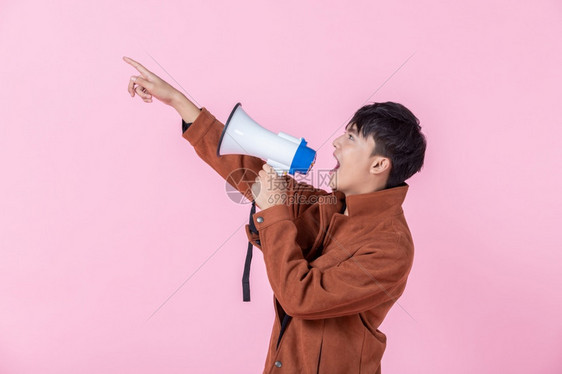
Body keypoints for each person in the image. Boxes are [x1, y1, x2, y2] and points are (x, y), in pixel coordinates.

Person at [123, 56, 427, 373]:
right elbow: (250, 174)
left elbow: (301, 297)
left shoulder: (390, 249)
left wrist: (274, 211)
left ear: (379, 164)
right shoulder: (326, 206)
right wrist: (178, 102)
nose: (336, 143)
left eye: (351, 138)